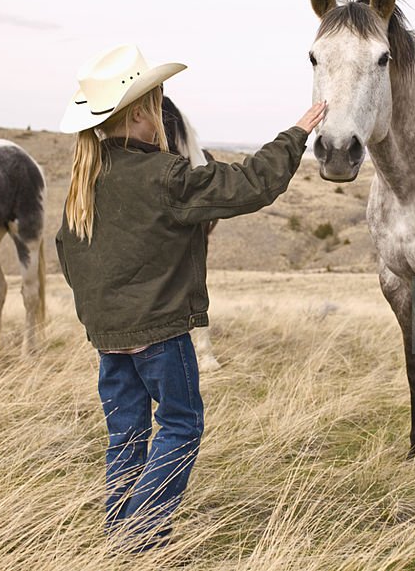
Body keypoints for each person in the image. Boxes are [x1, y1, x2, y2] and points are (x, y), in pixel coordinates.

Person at [54, 44, 326, 552]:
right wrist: (297, 134)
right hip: (161, 335)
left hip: (109, 340)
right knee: (181, 425)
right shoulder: (165, 175)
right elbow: (248, 185)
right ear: (139, 113)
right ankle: (141, 535)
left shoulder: (84, 183)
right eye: (157, 106)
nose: (160, 116)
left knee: (127, 436)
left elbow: (70, 259)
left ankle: (120, 536)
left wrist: (107, 316)